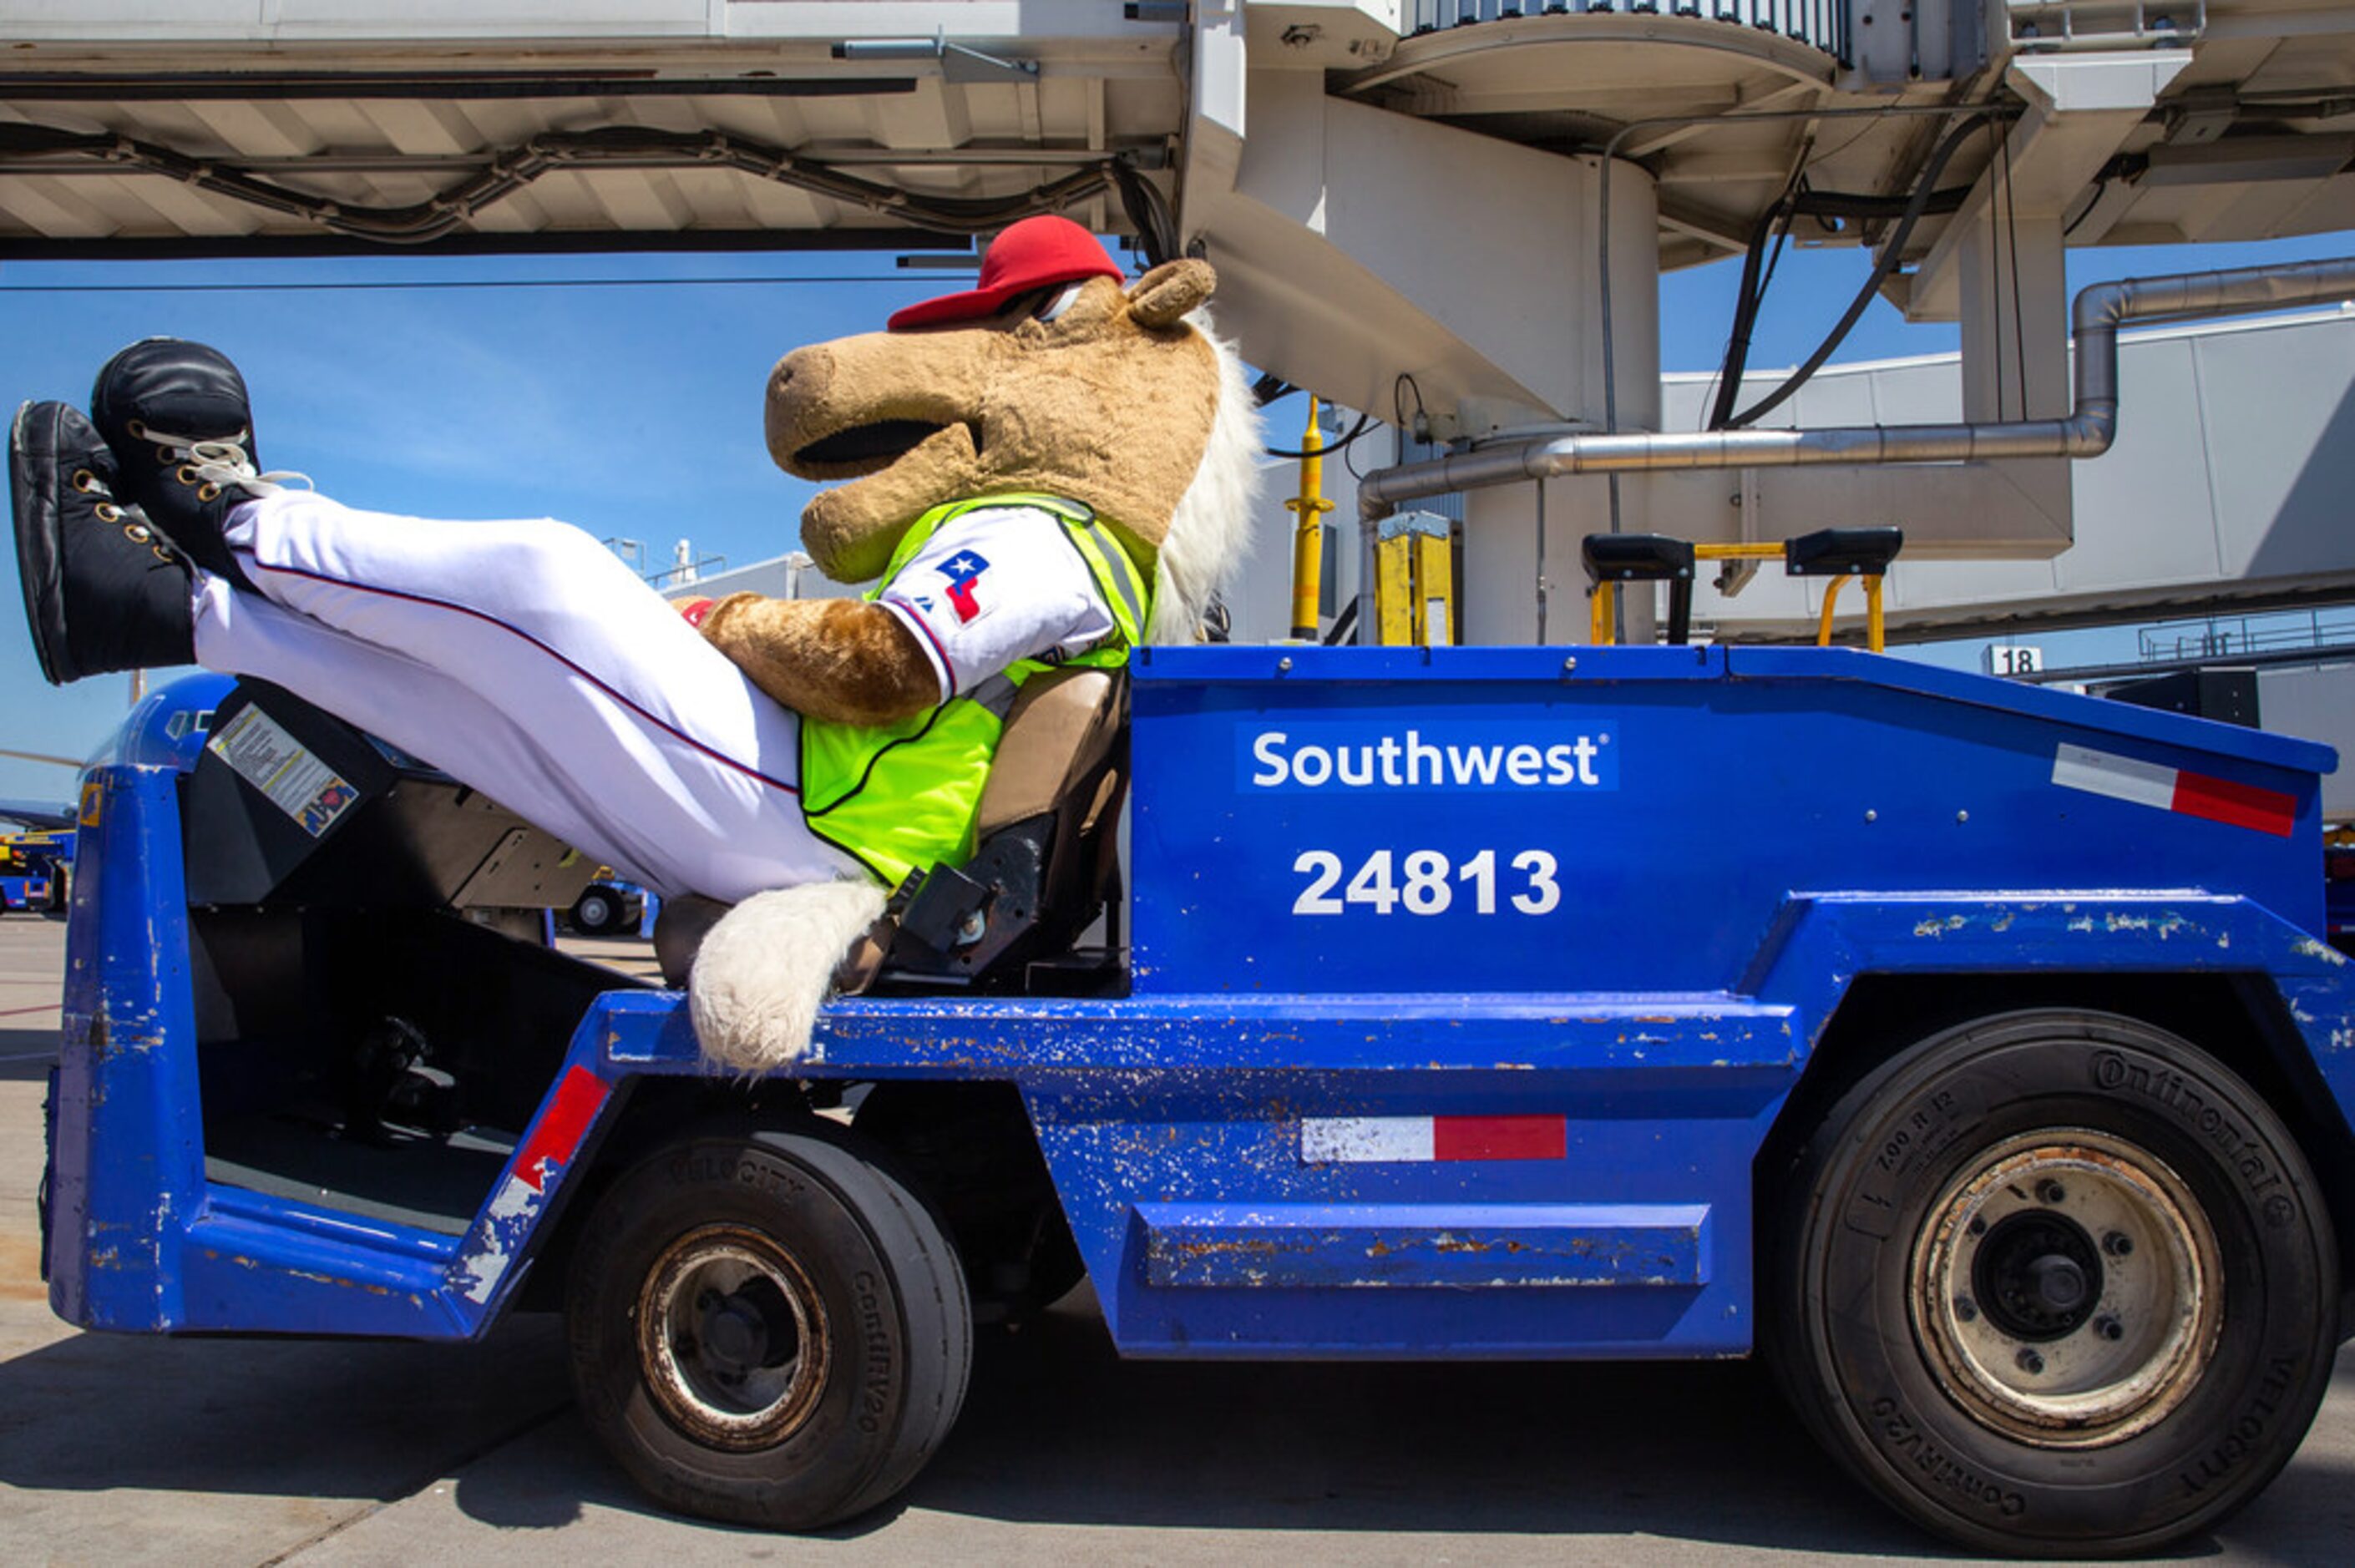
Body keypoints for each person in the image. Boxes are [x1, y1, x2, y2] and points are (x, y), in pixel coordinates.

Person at [9, 229, 1164, 909]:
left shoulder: (1044, 530)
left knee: (546, 573)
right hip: (828, 825)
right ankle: (174, 610)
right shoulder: (1066, 540)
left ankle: (238, 523)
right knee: (479, 706)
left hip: (820, 817)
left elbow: (882, 664)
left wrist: (727, 626)